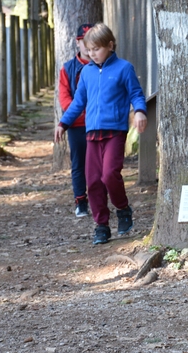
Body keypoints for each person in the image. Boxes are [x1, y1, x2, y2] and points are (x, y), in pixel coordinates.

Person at [54, 23, 147, 244]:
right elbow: (78, 103)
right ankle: (101, 225)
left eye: (97, 49)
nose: (92, 53)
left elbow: (136, 93)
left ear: (110, 45)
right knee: (93, 181)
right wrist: (63, 123)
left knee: (109, 175)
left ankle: (123, 209)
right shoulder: (86, 72)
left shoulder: (124, 68)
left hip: (115, 131)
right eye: (89, 49)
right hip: (91, 133)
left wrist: (140, 112)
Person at [58, 23, 93, 218]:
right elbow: (65, 98)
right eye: (84, 41)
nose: (88, 46)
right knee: (78, 162)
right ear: (77, 42)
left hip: (100, 124)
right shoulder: (68, 69)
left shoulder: (103, 66)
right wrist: (79, 113)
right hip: (77, 124)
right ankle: (80, 200)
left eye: (92, 41)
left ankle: (99, 199)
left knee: (99, 164)